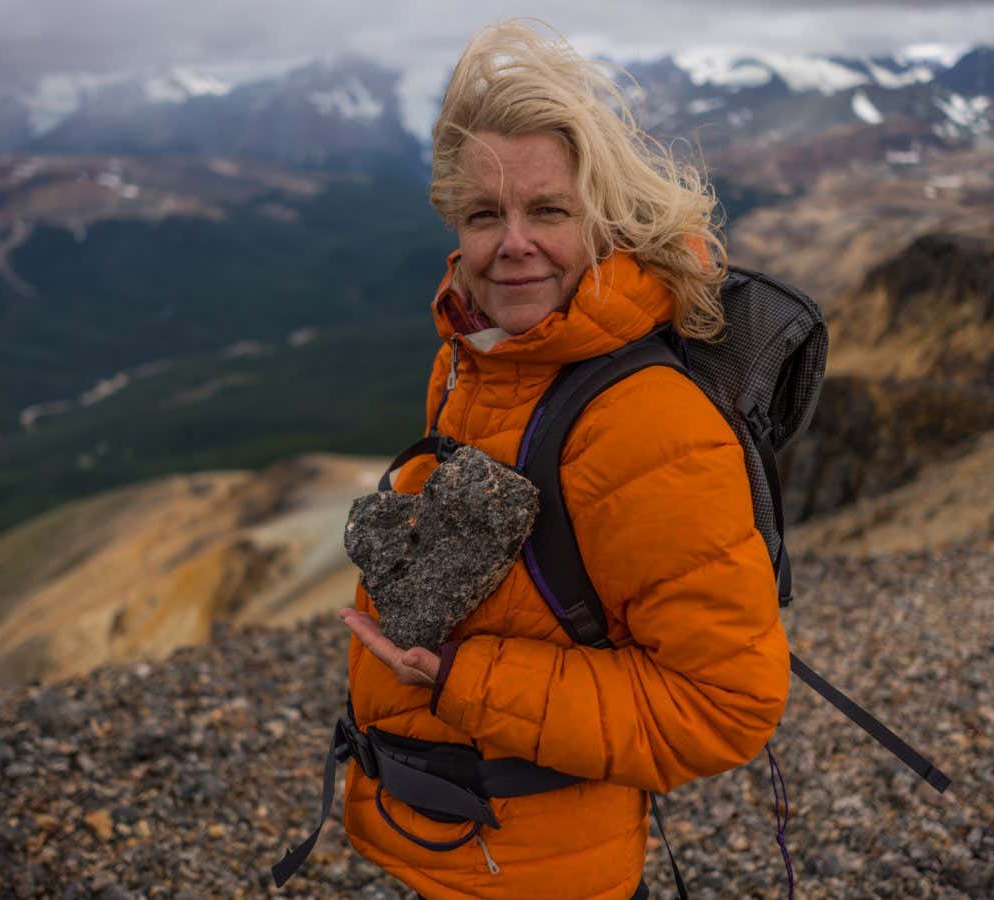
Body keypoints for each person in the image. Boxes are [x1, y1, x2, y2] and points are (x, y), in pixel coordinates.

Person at [337, 21, 790, 900]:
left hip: (538, 872)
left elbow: (726, 706)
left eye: (547, 210)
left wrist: (464, 681)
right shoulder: (475, 357)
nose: (512, 243)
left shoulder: (645, 421)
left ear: (603, 220)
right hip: (439, 844)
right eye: (483, 214)